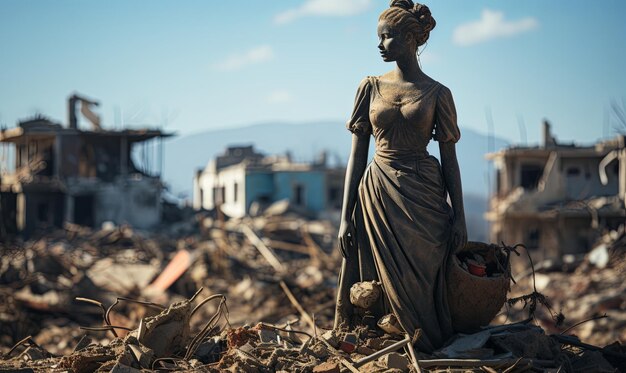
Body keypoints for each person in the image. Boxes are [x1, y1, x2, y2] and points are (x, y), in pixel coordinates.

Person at [334, 0, 467, 353]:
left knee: (424, 281)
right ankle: (377, 345)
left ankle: (422, 346)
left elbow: (450, 159)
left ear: (411, 38)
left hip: (423, 198)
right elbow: (356, 156)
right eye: (378, 37)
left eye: (387, 37)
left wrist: (460, 218)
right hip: (377, 192)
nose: (380, 45)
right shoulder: (369, 87)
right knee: (372, 284)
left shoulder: (439, 94)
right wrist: (345, 217)